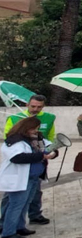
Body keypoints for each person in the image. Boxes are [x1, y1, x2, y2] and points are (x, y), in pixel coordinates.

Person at [3, 95, 56, 226]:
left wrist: (52, 152)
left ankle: (34, 215)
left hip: (38, 162)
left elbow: (49, 139)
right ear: (27, 105)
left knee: (35, 191)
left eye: (39, 107)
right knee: (12, 197)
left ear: (43, 106)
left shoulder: (49, 118)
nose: (35, 109)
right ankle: (4, 222)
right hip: (22, 163)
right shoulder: (15, 118)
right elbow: (8, 137)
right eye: (33, 106)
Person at [0, 117, 51, 238]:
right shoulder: (15, 140)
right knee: (16, 205)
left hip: (33, 176)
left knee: (25, 203)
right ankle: (8, 233)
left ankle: (20, 227)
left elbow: (48, 145)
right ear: (26, 128)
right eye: (34, 128)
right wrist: (41, 155)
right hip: (20, 177)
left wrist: (53, 151)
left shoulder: (36, 139)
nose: (36, 131)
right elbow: (17, 157)